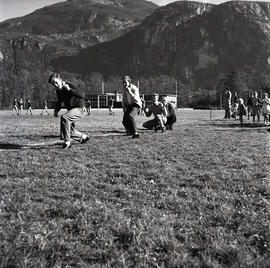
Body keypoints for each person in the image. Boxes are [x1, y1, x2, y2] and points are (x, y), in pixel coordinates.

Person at [48, 72, 89, 149]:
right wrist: (56, 110)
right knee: (69, 130)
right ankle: (84, 137)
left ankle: (67, 142)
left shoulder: (69, 85)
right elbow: (60, 102)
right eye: (53, 84)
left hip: (80, 109)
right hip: (72, 110)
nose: (55, 85)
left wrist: (70, 89)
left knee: (65, 117)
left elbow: (82, 95)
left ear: (60, 80)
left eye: (56, 82)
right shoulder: (58, 91)